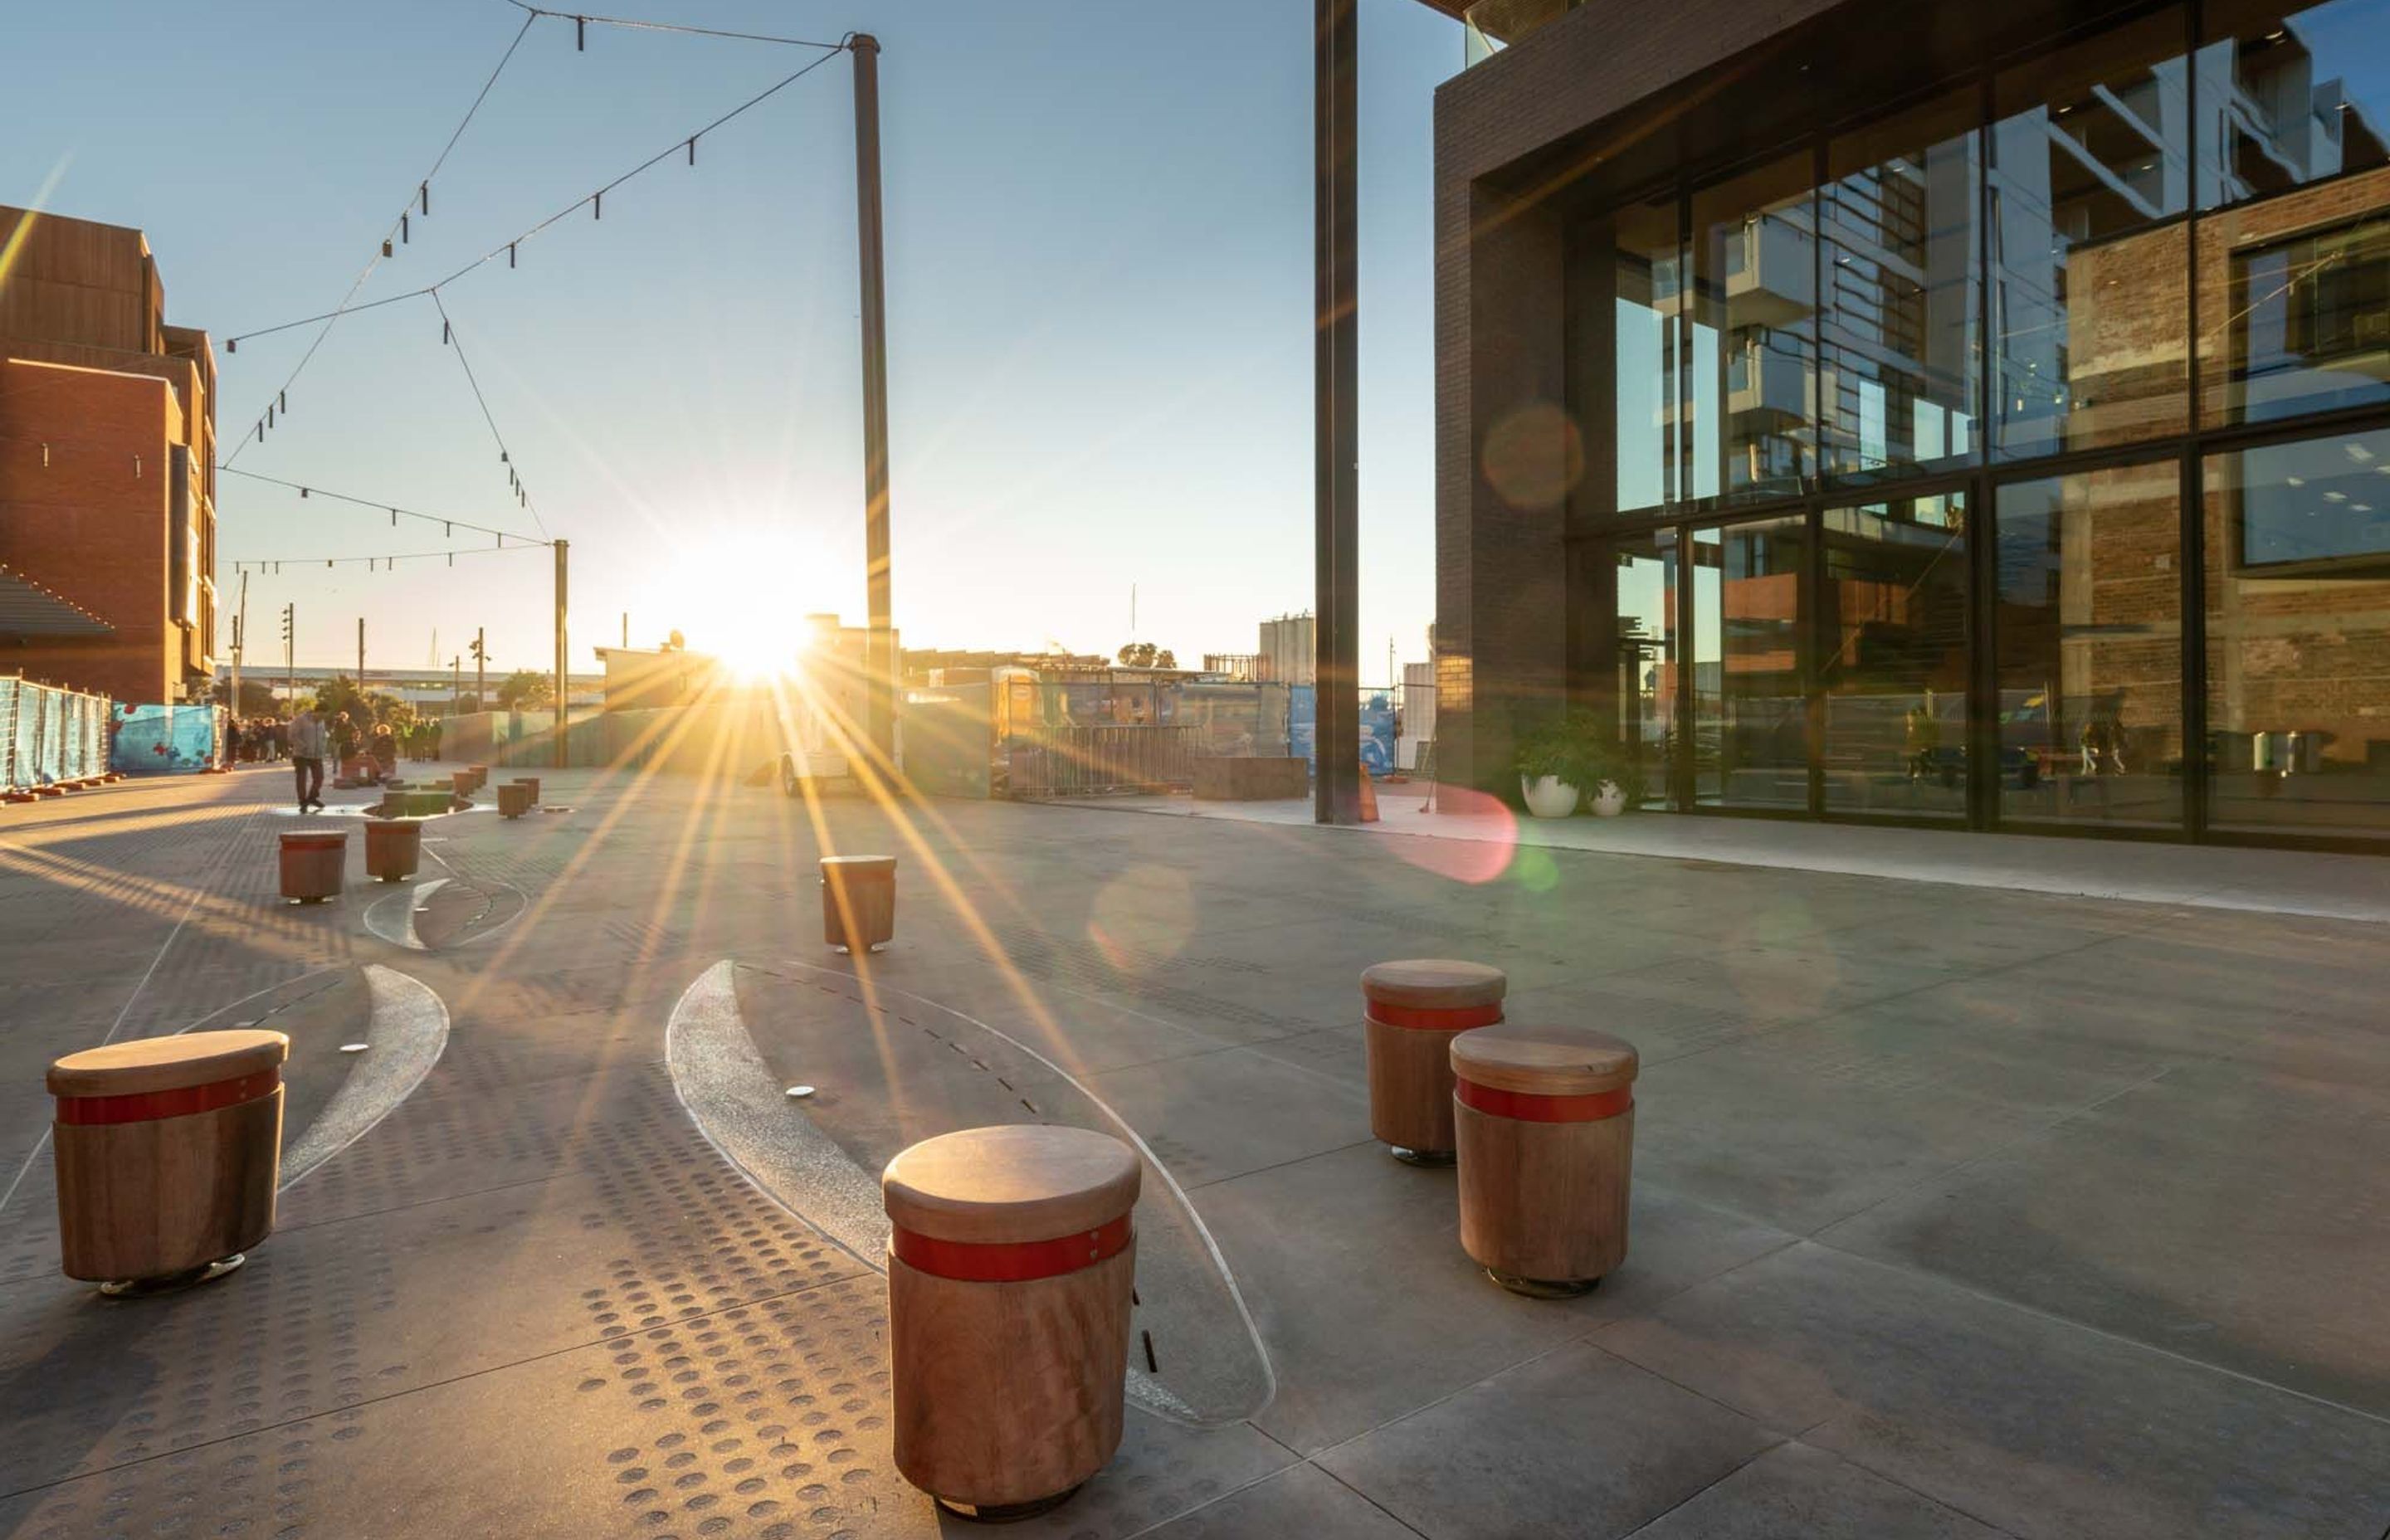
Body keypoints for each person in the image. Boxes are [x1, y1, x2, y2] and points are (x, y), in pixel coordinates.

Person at [290, 706, 328, 812]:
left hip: (316, 755)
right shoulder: (301, 719)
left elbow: (323, 736)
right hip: (301, 755)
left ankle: (312, 797)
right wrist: (303, 747)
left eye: (325, 716)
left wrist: (323, 747)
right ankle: (303, 802)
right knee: (302, 779)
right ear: (316, 712)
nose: (323, 718)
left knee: (319, 778)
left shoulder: (322, 722)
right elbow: (292, 735)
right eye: (322, 715)